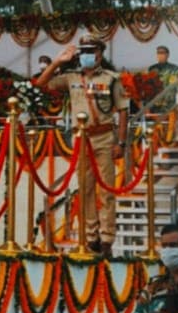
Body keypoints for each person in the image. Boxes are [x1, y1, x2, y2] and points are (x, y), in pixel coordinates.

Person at [34, 34, 128, 256]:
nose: (88, 55)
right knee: (84, 190)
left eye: (92, 51)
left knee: (106, 190)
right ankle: (90, 236)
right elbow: (41, 84)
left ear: (100, 54)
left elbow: (123, 111)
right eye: (84, 51)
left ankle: (106, 239)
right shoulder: (71, 78)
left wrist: (121, 142)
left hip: (104, 137)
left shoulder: (111, 78)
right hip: (81, 139)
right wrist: (58, 62)